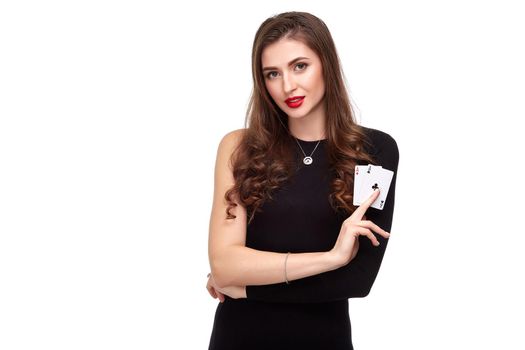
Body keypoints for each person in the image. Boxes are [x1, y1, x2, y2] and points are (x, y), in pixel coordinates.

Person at [205, 11, 399, 350]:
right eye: (272, 73)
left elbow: (358, 280)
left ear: (326, 63)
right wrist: (330, 259)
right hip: (238, 339)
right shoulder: (238, 148)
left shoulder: (373, 151)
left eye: (299, 66)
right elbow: (223, 264)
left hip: (324, 341)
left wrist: (247, 286)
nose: (287, 86)